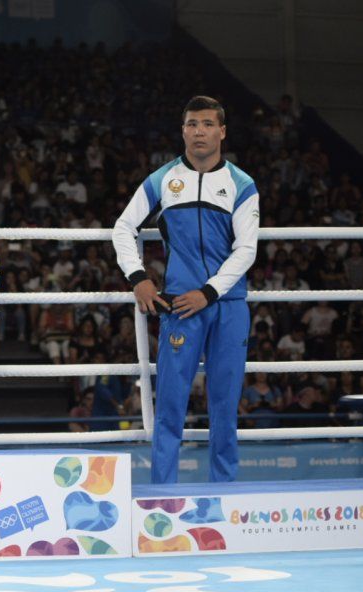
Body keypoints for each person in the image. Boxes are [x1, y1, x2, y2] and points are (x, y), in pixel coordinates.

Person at [112, 96, 259, 483]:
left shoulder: (242, 184)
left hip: (227, 306)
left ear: (222, 131)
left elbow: (246, 250)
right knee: (171, 404)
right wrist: (138, 278)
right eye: (192, 124)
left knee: (226, 405)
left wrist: (208, 293)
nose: (199, 131)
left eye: (208, 124)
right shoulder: (162, 179)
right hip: (179, 304)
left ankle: (225, 491)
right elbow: (123, 227)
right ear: (183, 130)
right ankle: (162, 493)